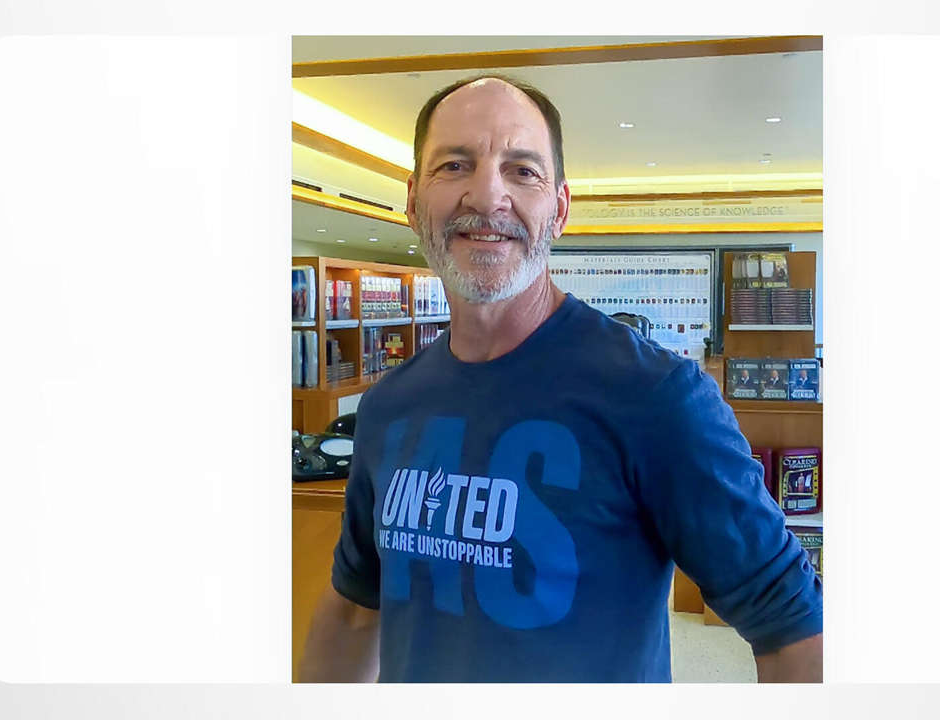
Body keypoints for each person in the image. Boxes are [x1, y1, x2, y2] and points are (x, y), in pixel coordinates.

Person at [298, 74, 823, 683]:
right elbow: (356, 609)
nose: (487, 195)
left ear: (560, 208)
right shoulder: (389, 405)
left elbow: (797, 636)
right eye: (454, 165)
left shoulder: (657, 397)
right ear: (413, 201)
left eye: (522, 170)